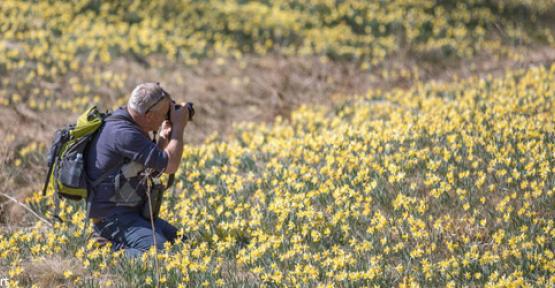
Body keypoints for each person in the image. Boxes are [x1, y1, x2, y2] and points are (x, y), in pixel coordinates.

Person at [85, 82, 191, 257]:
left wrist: (163, 139)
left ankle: (113, 243)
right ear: (148, 115)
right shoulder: (124, 133)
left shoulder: (130, 121)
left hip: (132, 212)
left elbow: (152, 169)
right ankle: (105, 250)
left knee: (183, 243)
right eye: (165, 113)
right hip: (114, 217)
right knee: (161, 253)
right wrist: (178, 128)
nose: (167, 116)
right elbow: (170, 165)